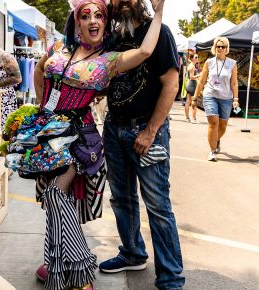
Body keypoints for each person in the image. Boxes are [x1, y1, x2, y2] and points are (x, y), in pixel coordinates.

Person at [32, 0, 165, 289]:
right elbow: (40, 70)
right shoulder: (59, 49)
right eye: (85, 15)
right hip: (48, 135)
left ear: (105, 22)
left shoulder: (108, 59)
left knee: (56, 194)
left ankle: (79, 268)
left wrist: (160, 11)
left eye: (99, 16)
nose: (93, 20)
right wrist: (42, 108)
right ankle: (55, 261)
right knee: (54, 201)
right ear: (76, 22)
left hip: (79, 138)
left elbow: (144, 51)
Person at [98, 0, 185, 289]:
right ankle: (133, 253)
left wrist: (150, 131)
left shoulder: (159, 32)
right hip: (114, 129)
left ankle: (171, 277)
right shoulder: (113, 37)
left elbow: (171, 85)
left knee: (158, 205)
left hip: (147, 130)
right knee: (121, 199)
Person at [192, 37, 239, 162]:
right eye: (218, 46)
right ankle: (212, 151)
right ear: (214, 47)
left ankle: (216, 139)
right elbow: (202, 81)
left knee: (223, 126)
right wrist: (195, 98)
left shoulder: (232, 64)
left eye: (223, 46)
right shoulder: (209, 62)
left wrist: (236, 98)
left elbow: (234, 83)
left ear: (226, 48)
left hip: (226, 98)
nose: (220, 48)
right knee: (213, 123)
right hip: (210, 95)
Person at [185, 54, 201, 123]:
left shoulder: (191, 65)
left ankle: (187, 118)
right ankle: (194, 119)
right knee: (194, 102)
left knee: (188, 102)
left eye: (198, 57)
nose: (197, 58)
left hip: (189, 84)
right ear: (192, 58)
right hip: (192, 84)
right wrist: (199, 75)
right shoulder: (192, 66)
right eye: (196, 57)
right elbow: (192, 77)